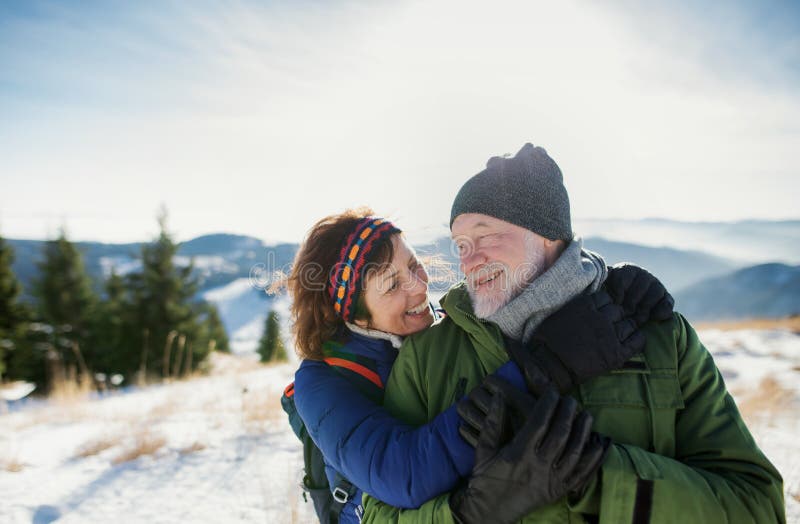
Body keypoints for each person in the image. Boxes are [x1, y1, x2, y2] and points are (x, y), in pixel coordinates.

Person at [362, 143, 785, 523]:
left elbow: (758, 507)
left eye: (486, 236)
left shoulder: (658, 337)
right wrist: (471, 512)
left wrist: (595, 477)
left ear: (548, 234)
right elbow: (377, 515)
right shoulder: (430, 355)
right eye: (459, 245)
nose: (469, 260)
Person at [288, 207, 671, 523]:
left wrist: (604, 289)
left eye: (414, 265)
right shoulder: (320, 384)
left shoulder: (435, 330)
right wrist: (541, 370)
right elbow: (401, 473)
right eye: (391, 285)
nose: (419, 287)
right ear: (356, 316)